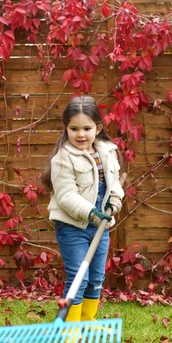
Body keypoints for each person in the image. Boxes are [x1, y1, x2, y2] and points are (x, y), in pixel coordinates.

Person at [41, 95, 124, 323]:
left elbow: (114, 182)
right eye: (74, 128)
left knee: (96, 277)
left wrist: (116, 198)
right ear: (66, 128)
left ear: (98, 128)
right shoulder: (63, 159)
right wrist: (92, 213)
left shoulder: (107, 152)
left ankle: (87, 320)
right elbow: (66, 196)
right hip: (72, 227)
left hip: (101, 226)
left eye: (86, 128)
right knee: (78, 277)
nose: (80, 134)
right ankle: (69, 324)